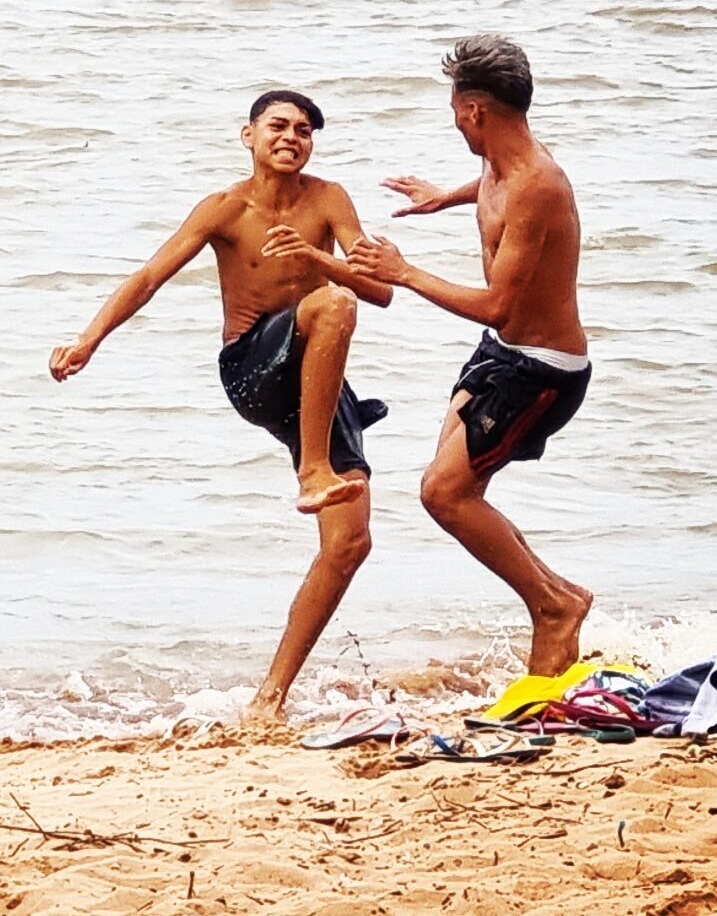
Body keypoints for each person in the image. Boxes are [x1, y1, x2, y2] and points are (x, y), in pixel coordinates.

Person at [49, 91, 393, 722]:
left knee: (350, 542)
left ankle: (270, 696)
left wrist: (318, 258)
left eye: (304, 130)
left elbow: (379, 290)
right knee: (332, 306)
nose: (292, 137)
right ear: (248, 135)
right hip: (253, 368)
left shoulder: (330, 199)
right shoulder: (224, 208)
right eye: (278, 126)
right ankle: (313, 468)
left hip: (318, 377)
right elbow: (150, 276)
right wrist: (88, 339)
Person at [350, 35, 593, 677]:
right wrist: (442, 197)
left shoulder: (538, 184)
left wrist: (402, 273)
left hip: (540, 371)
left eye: (457, 109)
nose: (455, 120)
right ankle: (560, 601)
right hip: (503, 356)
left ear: (477, 109)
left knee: (444, 493)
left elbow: (496, 306)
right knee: (459, 488)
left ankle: (554, 606)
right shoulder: (502, 157)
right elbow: (491, 186)